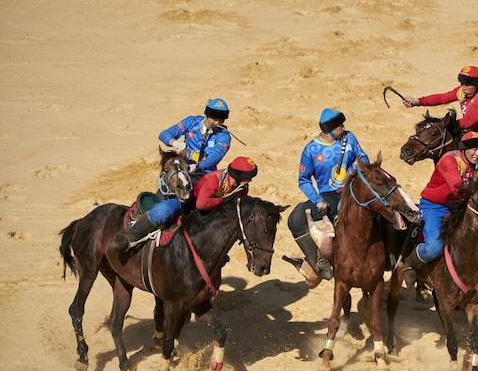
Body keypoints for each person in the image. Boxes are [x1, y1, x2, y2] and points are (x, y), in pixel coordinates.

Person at [403, 66, 478, 199]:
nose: (464, 87)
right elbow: (442, 98)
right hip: (470, 136)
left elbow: (469, 121)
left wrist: (444, 124)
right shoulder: (463, 92)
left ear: (477, 85)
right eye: (462, 84)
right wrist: (417, 101)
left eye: (468, 85)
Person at [403, 131, 478, 287]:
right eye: (473, 149)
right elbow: (458, 189)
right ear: (464, 149)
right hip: (435, 206)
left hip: (462, 205)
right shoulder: (449, 160)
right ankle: (411, 264)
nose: (477, 153)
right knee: (434, 248)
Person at [287, 108, 369, 280]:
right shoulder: (311, 149)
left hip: (353, 190)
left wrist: (359, 166)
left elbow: (363, 158)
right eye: (339, 125)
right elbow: (304, 180)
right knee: (295, 218)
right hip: (328, 197)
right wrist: (318, 200)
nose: (343, 127)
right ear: (330, 129)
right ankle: (318, 261)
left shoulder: (349, 137)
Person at [110, 156, 258, 251]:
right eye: (247, 178)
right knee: (163, 210)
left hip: (209, 211)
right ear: (238, 177)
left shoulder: (241, 187)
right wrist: (222, 201)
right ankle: (130, 237)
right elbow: (202, 204)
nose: (249, 181)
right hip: (188, 202)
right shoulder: (214, 179)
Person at [159, 98, 232, 180]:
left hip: (205, 173)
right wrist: (175, 143)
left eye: (221, 120)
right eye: (214, 119)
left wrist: (197, 166)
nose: (217, 123)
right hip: (184, 169)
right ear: (207, 115)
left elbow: (214, 158)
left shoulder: (224, 136)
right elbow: (164, 134)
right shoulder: (192, 122)